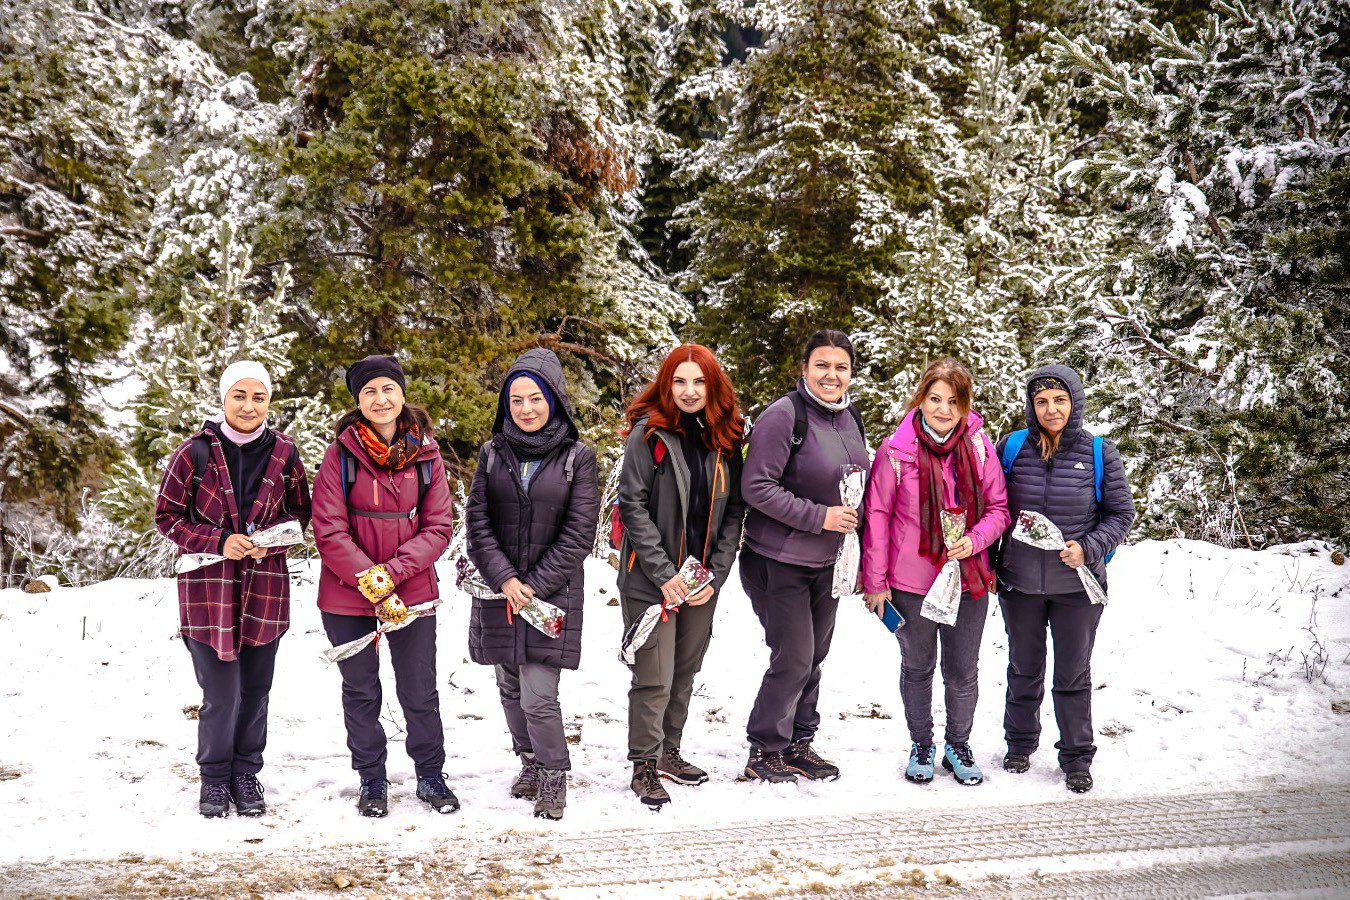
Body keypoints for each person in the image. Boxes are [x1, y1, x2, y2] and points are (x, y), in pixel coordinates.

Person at [155, 361, 311, 818]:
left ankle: (246, 773)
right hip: (208, 591)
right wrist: (220, 541)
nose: (248, 406)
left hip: (265, 588)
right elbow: (167, 517)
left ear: (269, 401)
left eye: (258, 396)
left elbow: (301, 512)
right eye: (239, 396)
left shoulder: (284, 453)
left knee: (257, 690)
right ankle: (214, 778)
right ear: (223, 399)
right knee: (222, 694)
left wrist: (272, 540)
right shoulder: (194, 453)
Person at [312, 355, 457, 817]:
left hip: (411, 591)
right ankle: (372, 779)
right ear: (358, 401)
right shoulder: (339, 456)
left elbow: (438, 527)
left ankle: (431, 776)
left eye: (387, 389)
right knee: (360, 690)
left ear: (401, 393)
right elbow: (329, 529)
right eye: (369, 392)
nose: (380, 399)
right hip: (346, 594)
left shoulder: (428, 455)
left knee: (419, 689)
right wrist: (368, 581)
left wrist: (389, 575)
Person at [861, 357, 1009, 787]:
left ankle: (958, 745)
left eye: (953, 401)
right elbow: (877, 515)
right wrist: (875, 582)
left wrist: (975, 541)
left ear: (965, 406)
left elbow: (1000, 509)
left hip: (968, 579)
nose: (944, 409)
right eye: (935, 398)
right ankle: (921, 743)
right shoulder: (896, 451)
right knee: (918, 666)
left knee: (963, 671)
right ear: (921, 399)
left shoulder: (980, 447)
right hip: (911, 583)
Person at [466, 348, 599, 821]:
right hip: (499, 592)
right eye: (515, 399)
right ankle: (528, 762)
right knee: (507, 685)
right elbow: (477, 522)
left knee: (539, 694)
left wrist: (533, 585)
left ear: (555, 400)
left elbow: (580, 532)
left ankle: (554, 773)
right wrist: (505, 579)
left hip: (550, 595)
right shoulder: (491, 453)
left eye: (535, 398)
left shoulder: (578, 458)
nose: (525, 408)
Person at [617, 344, 746, 808]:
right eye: (680, 381)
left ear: (713, 386)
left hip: (701, 581)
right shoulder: (648, 435)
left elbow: (734, 512)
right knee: (654, 674)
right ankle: (644, 765)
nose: (689, 392)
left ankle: (670, 751)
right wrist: (665, 575)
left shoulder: (726, 438)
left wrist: (714, 575)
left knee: (685, 670)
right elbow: (631, 506)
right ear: (667, 384)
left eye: (699, 382)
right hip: (649, 580)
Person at [739, 329, 871, 783]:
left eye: (841, 367)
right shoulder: (783, 416)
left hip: (828, 562)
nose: (831, 375)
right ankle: (764, 748)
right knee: (793, 656)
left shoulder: (850, 416)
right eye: (822, 365)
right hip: (778, 560)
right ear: (805, 369)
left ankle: (799, 743)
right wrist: (821, 518)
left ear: (850, 374)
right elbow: (756, 487)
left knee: (815, 654)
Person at [996, 365, 1135, 793]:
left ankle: (1076, 755)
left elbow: (1121, 514)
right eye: (1041, 402)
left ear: (1074, 403)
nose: (1050, 409)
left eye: (1059, 400)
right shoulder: (1012, 448)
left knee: (1072, 674)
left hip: (1078, 587)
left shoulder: (1098, 453)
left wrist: (1088, 548)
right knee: (1023, 667)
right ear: (1030, 406)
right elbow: (995, 510)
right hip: (1019, 584)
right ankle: (1019, 744)